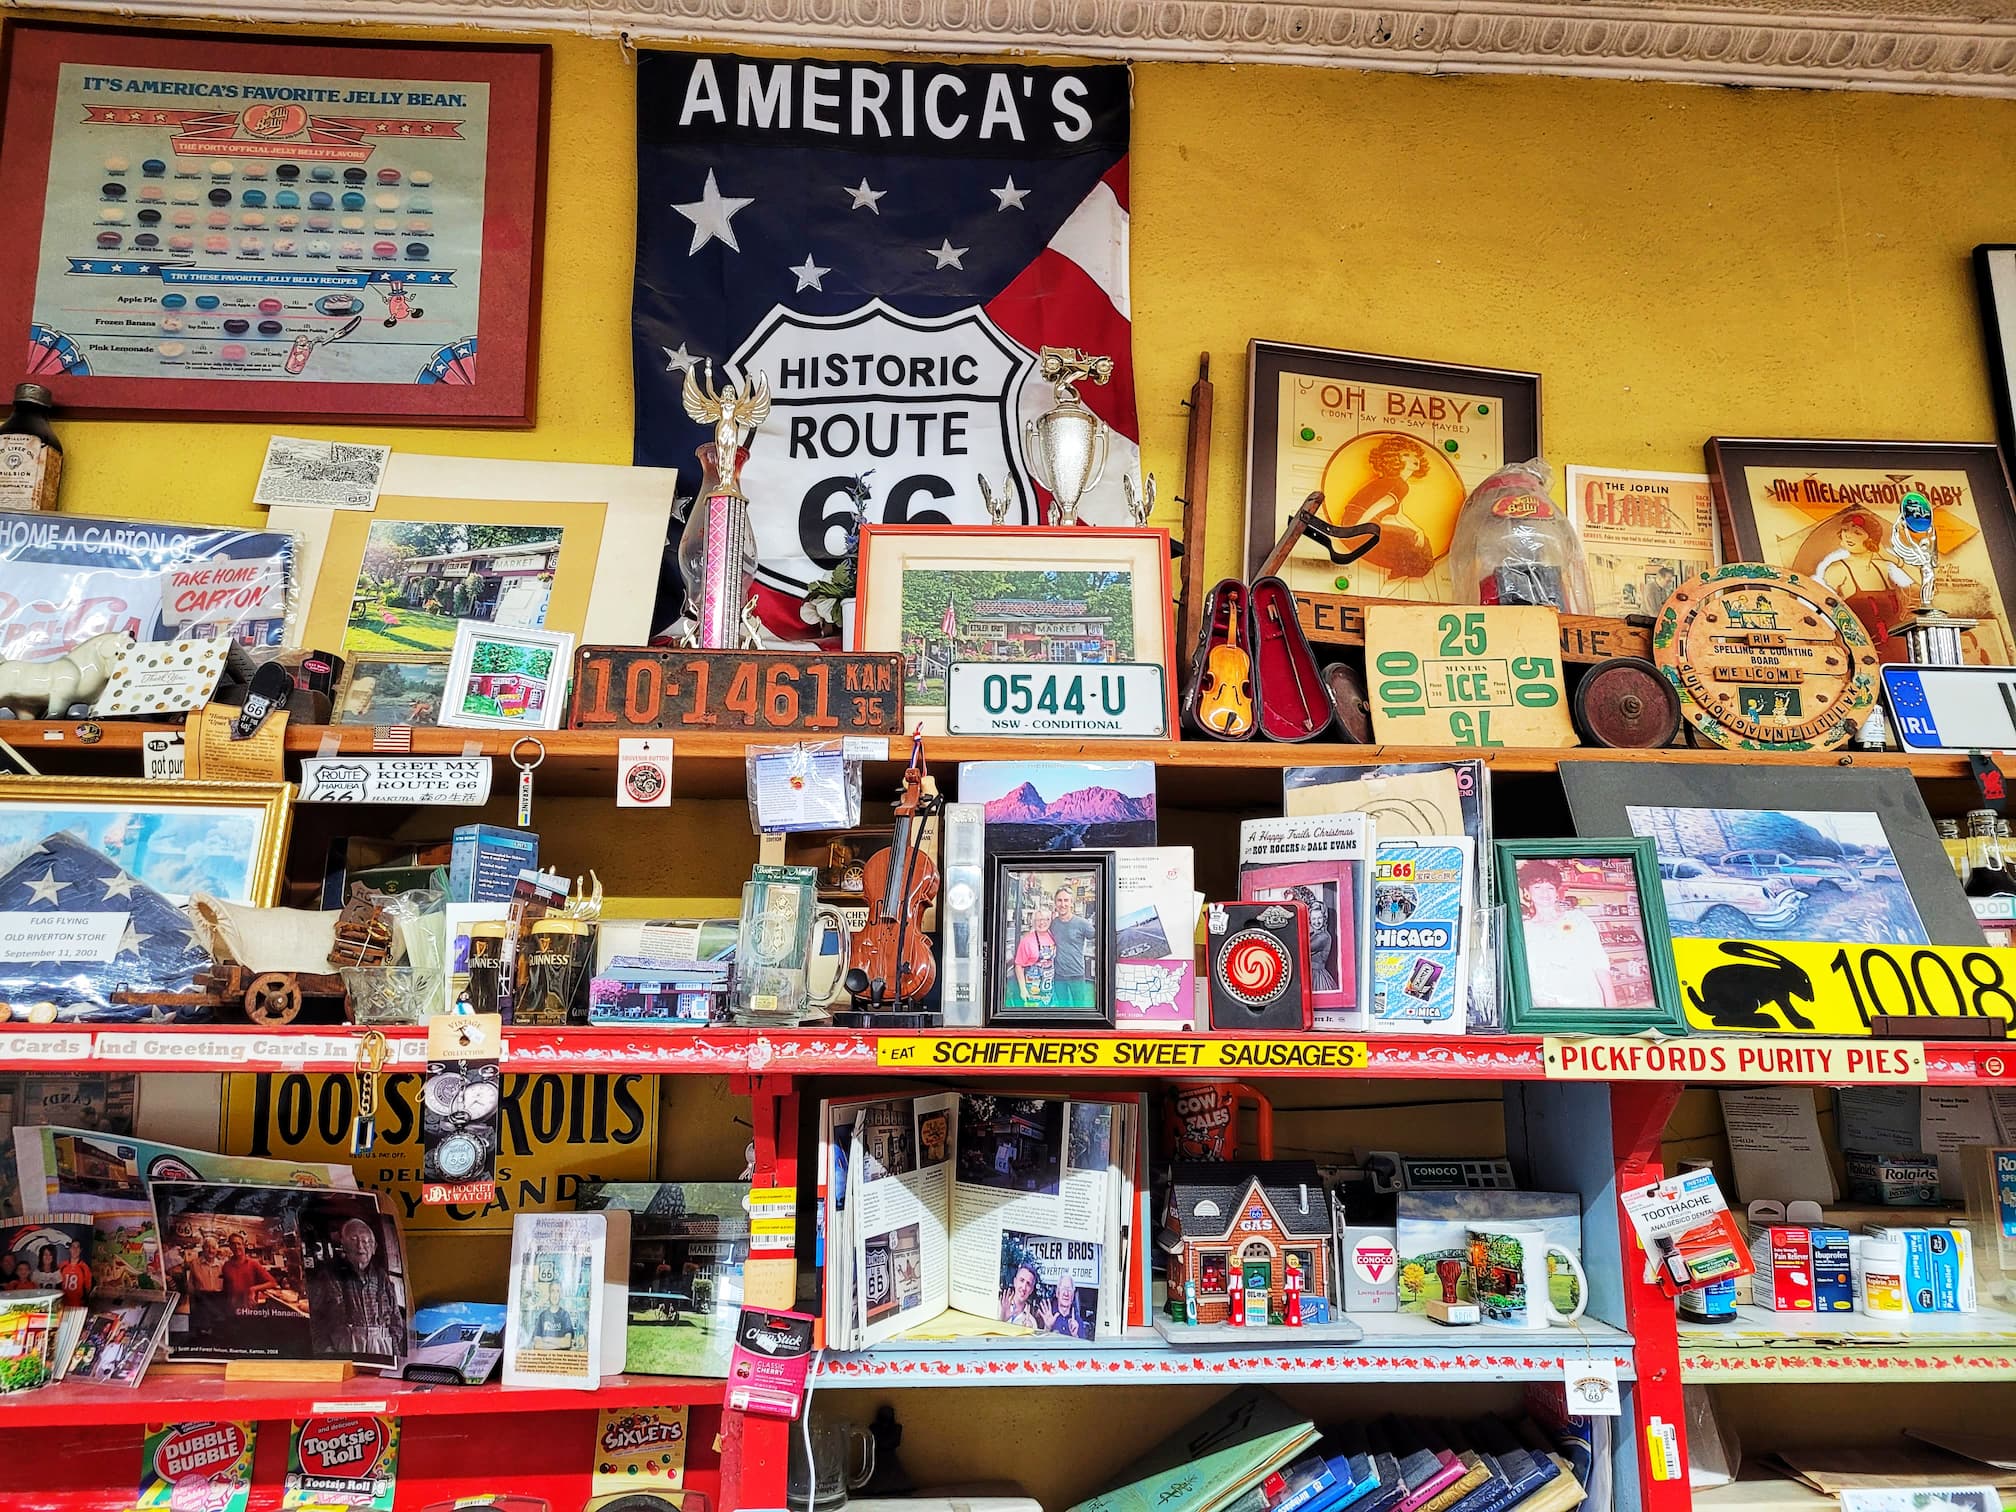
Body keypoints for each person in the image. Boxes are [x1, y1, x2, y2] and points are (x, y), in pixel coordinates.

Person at [1519, 860, 1617, 1008]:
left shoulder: (1578, 920)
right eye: (1538, 887)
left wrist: (1611, 1001)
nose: (1545, 893)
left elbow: (1598, 960)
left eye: (1550, 888)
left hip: (1587, 1002)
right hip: (1547, 1008)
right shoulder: (1524, 930)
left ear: (1557, 892)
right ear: (1527, 892)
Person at [305, 1217, 403, 1361]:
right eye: (354, 1239)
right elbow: (315, 1320)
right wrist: (327, 1350)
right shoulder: (328, 1275)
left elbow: (396, 1319)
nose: (360, 1246)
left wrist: (393, 1346)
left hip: (382, 1347)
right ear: (343, 1244)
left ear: (374, 1248)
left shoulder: (382, 1278)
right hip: (343, 1348)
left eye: (366, 1241)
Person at [1048, 886, 1095, 1009]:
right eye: (1059, 900)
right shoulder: (1052, 924)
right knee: (1063, 1008)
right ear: (1055, 903)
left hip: (1076, 975)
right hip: (1058, 975)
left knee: (1080, 1008)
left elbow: (1099, 937)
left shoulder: (1083, 923)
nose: (1062, 904)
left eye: (1066, 900)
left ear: (1071, 903)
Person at [219, 1231, 279, 1314]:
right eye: (233, 1244)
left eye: (239, 1244)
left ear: (243, 1245)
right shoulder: (226, 1265)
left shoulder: (253, 1263)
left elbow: (272, 1282)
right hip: (231, 1311)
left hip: (249, 1310)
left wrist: (253, 1289)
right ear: (230, 1246)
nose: (236, 1246)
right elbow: (226, 1289)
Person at [1012, 901, 1057, 1007]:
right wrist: (1023, 989)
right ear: (1033, 922)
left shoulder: (1052, 935)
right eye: (1038, 920)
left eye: (1046, 919)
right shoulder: (1027, 940)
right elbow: (1018, 965)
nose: (1042, 923)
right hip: (1032, 988)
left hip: (1049, 986)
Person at [527, 1282, 579, 1350]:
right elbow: (537, 1345)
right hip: (545, 1358)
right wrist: (560, 1344)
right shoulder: (542, 1316)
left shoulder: (565, 1315)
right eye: (552, 1291)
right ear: (549, 1294)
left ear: (561, 1295)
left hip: (562, 1358)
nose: (555, 1295)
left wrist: (546, 1339)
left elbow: (567, 1343)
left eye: (558, 1291)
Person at [998, 1263, 1050, 1329]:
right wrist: (1002, 1320)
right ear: (1015, 1282)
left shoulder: (1032, 1323)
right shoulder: (998, 1307)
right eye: (1022, 1280)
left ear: (1031, 1290)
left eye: (1028, 1284)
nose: (1024, 1287)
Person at [57, 1239, 92, 1308]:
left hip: (77, 1304)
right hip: (63, 1304)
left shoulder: (85, 1268)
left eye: (77, 1247)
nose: (75, 1249)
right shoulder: (62, 1266)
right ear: (69, 1249)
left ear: (80, 1250)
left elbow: (88, 1288)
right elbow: (57, 1284)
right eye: (73, 1247)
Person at [1050, 1273, 1086, 1339]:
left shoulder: (1078, 1321)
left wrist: (1075, 1336)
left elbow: (1082, 1348)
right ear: (1057, 1293)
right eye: (1063, 1289)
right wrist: (1047, 1328)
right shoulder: (1049, 1317)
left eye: (1069, 1290)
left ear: (1072, 1296)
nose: (1066, 1294)